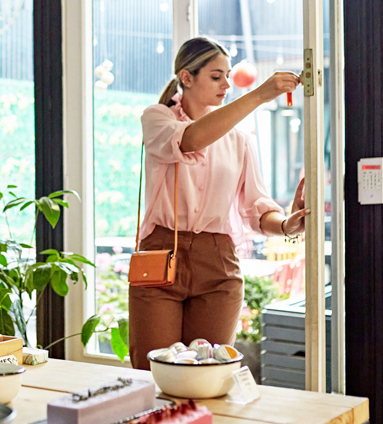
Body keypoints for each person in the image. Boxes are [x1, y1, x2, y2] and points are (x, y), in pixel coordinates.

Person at [128, 36, 308, 370]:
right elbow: (191, 139)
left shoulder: (239, 138)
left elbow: (258, 207)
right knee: (153, 371)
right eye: (216, 76)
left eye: (227, 75)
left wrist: (286, 224)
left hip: (218, 261)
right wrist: (259, 96)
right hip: (161, 254)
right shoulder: (157, 118)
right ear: (186, 77)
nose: (226, 84)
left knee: (209, 373)